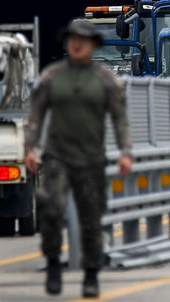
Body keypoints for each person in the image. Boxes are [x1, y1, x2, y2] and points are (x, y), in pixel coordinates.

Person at [24, 19, 132, 298]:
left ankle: (91, 273)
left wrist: (125, 153)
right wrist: (29, 149)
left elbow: (120, 119)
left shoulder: (105, 79)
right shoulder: (52, 76)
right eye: (73, 38)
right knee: (50, 209)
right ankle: (52, 264)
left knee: (91, 218)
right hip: (57, 156)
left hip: (91, 158)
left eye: (83, 39)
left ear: (93, 45)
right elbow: (35, 116)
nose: (77, 43)